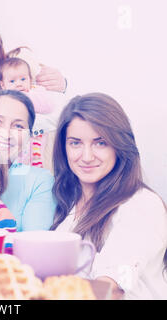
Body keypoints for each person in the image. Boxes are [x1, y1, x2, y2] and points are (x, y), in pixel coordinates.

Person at [51, 92, 167, 299]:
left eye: (100, 143)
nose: (86, 157)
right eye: (75, 143)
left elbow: (112, 287)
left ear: (119, 145)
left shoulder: (142, 204)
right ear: (64, 147)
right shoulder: (69, 204)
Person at [0, 89, 56, 232]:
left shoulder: (39, 181)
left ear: (29, 137)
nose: (6, 133)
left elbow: (34, 243)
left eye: (18, 126)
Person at [0, 56, 57, 169]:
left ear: (30, 79)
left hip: (37, 137)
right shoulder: (3, 98)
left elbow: (48, 106)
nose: (19, 84)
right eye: (12, 81)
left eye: (23, 79)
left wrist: (24, 97)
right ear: (3, 85)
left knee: (37, 160)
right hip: (16, 140)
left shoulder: (37, 92)